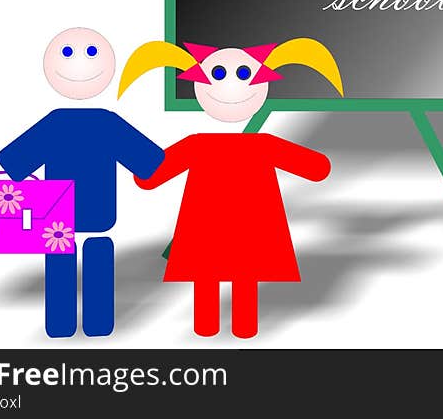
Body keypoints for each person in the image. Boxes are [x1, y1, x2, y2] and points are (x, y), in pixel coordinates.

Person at [118, 38, 343, 337]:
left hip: (205, 231)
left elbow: (147, 177)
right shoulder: (263, 146)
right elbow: (318, 169)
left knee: (208, 276)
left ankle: (207, 327)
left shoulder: (197, 145)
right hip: (250, 231)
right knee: (244, 275)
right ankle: (243, 328)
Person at [0, 27, 164, 338]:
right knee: (98, 255)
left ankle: (60, 325)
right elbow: (150, 162)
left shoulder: (55, 123)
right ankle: (99, 324)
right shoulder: (107, 123)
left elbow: (12, 164)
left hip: (58, 215)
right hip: (99, 214)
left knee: (59, 258)